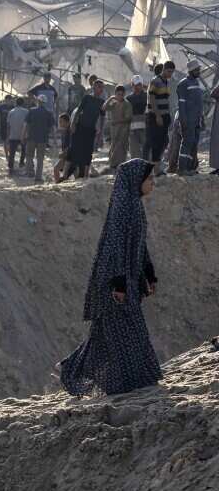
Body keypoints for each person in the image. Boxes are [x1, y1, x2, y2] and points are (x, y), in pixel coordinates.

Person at [59, 159, 161, 395]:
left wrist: (149, 274)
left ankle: (70, 368)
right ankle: (129, 381)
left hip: (127, 280)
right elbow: (115, 248)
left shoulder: (135, 205)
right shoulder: (123, 207)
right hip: (114, 283)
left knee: (105, 337)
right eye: (150, 179)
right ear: (136, 181)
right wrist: (119, 284)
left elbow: (138, 245)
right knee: (126, 331)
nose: (153, 183)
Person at [60, 81, 105, 182]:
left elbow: (102, 117)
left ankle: (86, 175)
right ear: (93, 87)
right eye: (99, 87)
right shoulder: (87, 98)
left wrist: (100, 132)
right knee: (73, 149)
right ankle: (65, 174)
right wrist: (73, 124)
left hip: (91, 130)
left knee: (88, 152)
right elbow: (79, 110)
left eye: (102, 87)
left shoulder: (102, 102)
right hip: (80, 127)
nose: (100, 89)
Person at [175, 60, 205, 175]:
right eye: (197, 70)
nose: (199, 72)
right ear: (191, 70)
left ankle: (190, 168)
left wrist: (202, 118)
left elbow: (199, 103)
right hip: (188, 120)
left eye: (199, 69)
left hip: (196, 120)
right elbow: (181, 104)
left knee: (193, 144)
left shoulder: (196, 83)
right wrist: (183, 121)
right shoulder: (183, 84)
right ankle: (182, 168)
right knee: (187, 143)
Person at [147, 61, 174, 173]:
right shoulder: (155, 81)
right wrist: (158, 116)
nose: (170, 74)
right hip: (156, 116)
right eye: (168, 71)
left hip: (165, 115)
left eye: (172, 72)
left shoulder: (166, 82)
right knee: (156, 142)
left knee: (164, 141)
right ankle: (155, 169)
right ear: (164, 69)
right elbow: (152, 99)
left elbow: (165, 100)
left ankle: (158, 165)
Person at [103, 84, 133, 171]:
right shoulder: (114, 103)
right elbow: (104, 108)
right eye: (118, 94)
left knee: (120, 149)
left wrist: (116, 121)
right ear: (115, 94)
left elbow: (128, 118)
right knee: (113, 148)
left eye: (122, 94)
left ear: (124, 94)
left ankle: (117, 167)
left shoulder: (127, 104)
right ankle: (114, 166)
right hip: (114, 132)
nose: (120, 96)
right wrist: (111, 98)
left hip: (123, 131)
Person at [24, 97, 52, 184]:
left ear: (38, 102)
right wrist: (53, 139)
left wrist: (23, 135)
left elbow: (26, 124)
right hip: (42, 139)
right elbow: (52, 127)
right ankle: (38, 177)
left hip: (31, 137)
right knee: (40, 158)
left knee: (29, 156)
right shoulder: (48, 113)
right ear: (45, 103)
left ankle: (30, 173)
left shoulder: (31, 111)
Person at [127, 75, 148, 162]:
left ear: (142, 85)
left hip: (145, 127)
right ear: (132, 85)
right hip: (132, 128)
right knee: (134, 151)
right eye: (135, 85)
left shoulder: (147, 96)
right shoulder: (129, 98)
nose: (137, 87)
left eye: (139, 84)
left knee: (146, 150)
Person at [6, 97, 29, 176]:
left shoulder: (11, 112)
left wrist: (8, 136)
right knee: (23, 150)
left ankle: (11, 168)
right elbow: (28, 124)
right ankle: (21, 163)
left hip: (13, 135)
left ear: (16, 103)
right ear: (23, 103)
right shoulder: (26, 112)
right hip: (23, 135)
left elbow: (8, 125)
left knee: (12, 153)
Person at [53, 113, 73, 182]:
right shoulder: (64, 131)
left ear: (66, 121)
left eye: (61, 121)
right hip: (66, 156)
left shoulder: (71, 131)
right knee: (56, 169)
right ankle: (58, 184)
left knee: (63, 174)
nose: (59, 123)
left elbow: (71, 145)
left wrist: (63, 153)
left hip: (71, 157)